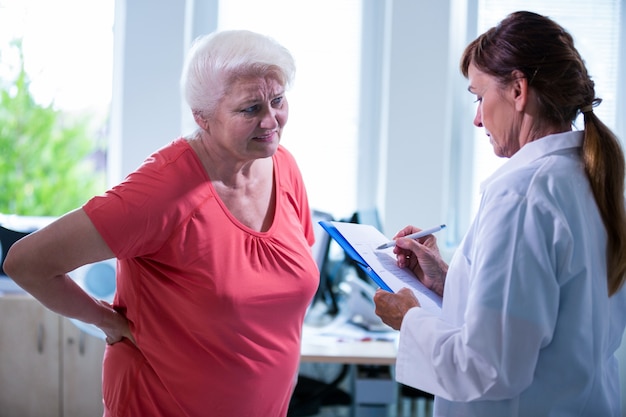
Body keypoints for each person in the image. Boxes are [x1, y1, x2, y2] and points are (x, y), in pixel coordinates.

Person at [4, 29, 319, 417]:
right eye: (250, 109)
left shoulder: (282, 166)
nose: (271, 121)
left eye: (277, 100)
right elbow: (27, 262)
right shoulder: (160, 192)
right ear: (202, 118)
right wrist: (106, 319)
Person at [374, 11, 626, 417]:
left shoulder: (523, 194)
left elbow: (488, 368)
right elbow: (544, 314)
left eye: (478, 96)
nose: (476, 118)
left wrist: (411, 320)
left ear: (518, 90)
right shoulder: (587, 178)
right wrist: (447, 280)